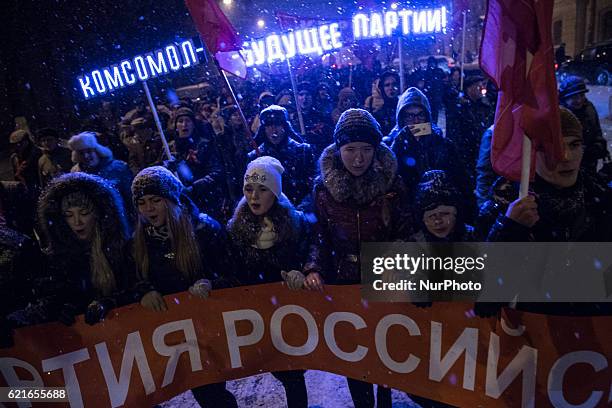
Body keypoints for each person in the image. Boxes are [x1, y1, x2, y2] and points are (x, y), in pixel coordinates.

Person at [304, 109, 412, 408]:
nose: (359, 159)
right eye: (350, 150)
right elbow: (320, 235)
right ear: (339, 151)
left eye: (366, 150)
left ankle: (386, 400)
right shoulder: (324, 189)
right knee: (355, 352)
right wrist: (314, 267)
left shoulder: (392, 184)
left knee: (387, 348)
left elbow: (404, 231)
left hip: (385, 278)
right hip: (345, 279)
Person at [130, 166, 237, 408]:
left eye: (156, 200)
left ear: (171, 199)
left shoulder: (203, 230)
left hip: (205, 327)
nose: (149, 209)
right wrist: (144, 291)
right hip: (168, 331)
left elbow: (232, 273)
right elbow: (133, 279)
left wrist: (211, 283)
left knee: (211, 392)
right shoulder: (138, 241)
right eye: (142, 203)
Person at [227, 156, 311, 408]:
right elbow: (232, 270)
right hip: (259, 317)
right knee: (278, 367)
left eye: (263, 189)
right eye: (249, 189)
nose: (254, 196)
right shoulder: (236, 230)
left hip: (290, 315)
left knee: (293, 373)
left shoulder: (296, 225)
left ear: (275, 192)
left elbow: (306, 255)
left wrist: (299, 271)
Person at [12, 173, 133, 327]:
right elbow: (56, 297)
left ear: (98, 213)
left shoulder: (123, 249)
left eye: (84, 213)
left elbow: (134, 288)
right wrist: (66, 309)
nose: (77, 222)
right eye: (69, 215)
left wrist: (109, 303)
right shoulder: (58, 259)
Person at [487, 107, 612, 243]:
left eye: (574, 145)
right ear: (532, 153)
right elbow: (480, 261)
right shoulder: (506, 199)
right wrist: (510, 229)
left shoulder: (598, 194)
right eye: (552, 148)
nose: (566, 157)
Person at [388, 87, 467, 200]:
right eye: (410, 116)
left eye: (420, 115)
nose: (416, 121)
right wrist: (398, 145)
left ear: (427, 116)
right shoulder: (393, 143)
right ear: (401, 118)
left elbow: (459, 179)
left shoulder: (442, 143)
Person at [248, 105, 316, 209]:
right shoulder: (255, 157)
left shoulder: (303, 151)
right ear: (263, 129)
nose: (273, 129)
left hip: (299, 210)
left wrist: (304, 208)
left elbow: (312, 184)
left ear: (285, 126)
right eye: (269, 125)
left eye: (277, 124)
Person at [68, 131, 134, 216]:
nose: (86, 156)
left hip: (121, 217)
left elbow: (130, 195)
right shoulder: (75, 173)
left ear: (97, 151)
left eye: (89, 151)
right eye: (81, 153)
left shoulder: (118, 168)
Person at [558, 75, 609, 175]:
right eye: (574, 97)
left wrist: (599, 148)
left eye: (581, 95)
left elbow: (597, 133)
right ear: (565, 98)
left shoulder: (588, 108)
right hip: (567, 168)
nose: (579, 100)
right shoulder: (559, 114)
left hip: (588, 167)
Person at [368, 71, 400, 137]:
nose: (391, 88)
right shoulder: (374, 105)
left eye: (394, 84)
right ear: (381, 88)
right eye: (387, 85)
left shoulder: (402, 104)